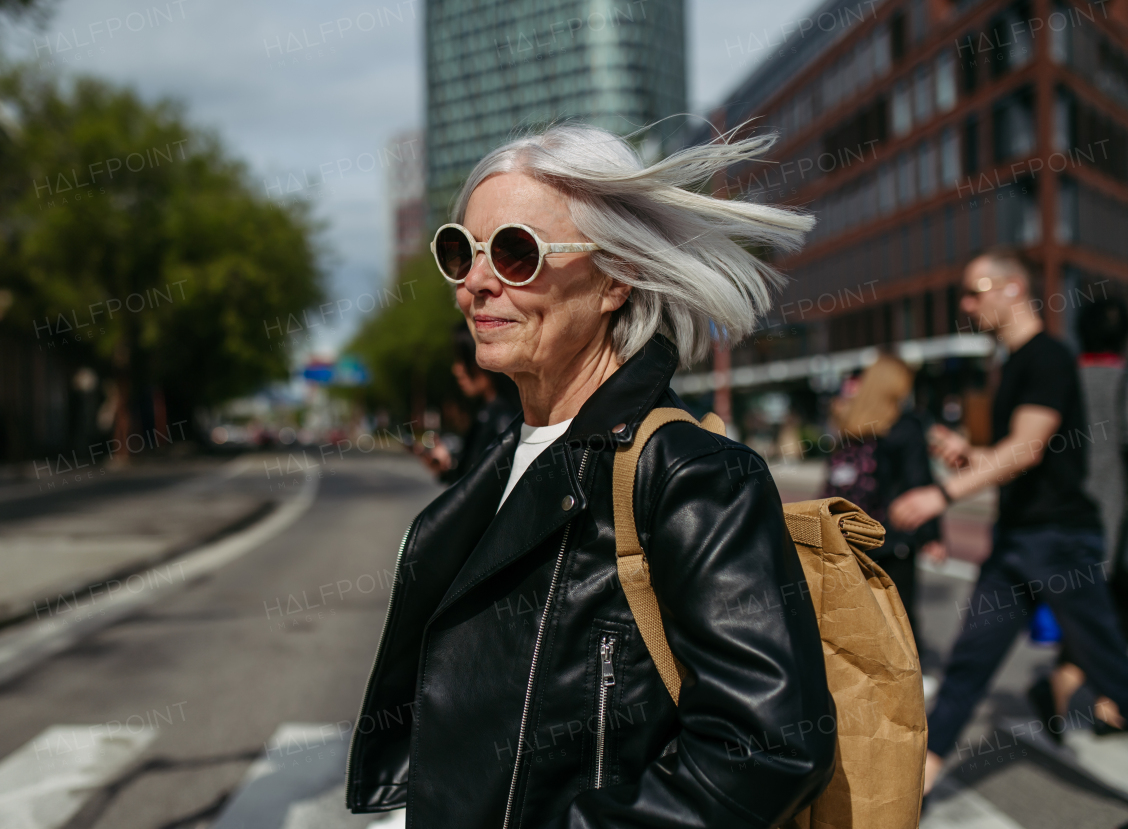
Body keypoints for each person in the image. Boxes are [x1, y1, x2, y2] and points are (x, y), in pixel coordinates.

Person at [346, 125, 835, 827]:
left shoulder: (695, 478)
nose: (477, 282)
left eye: (517, 252)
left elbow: (769, 744)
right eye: (462, 251)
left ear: (613, 279)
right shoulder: (503, 459)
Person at [889, 249, 1128, 795]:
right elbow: (1012, 458)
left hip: (1060, 539)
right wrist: (969, 454)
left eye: (977, 290)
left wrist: (940, 495)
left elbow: (1026, 450)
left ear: (1014, 290)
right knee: (970, 665)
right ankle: (913, 789)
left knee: (1110, 668)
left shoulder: (1047, 356)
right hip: (1018, 538)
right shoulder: (1010, 365)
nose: (967, 304)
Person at [1034, 297, 1128, 736]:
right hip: (1116, 521)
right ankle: (1104, 705)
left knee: (1091, 613)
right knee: (1108, 617)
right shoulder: (1122, 381)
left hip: (1067, 517)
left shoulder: (1065, 378)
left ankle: (1072, 692)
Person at [821, 354, 942, 650]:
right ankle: (908, 684)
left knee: (861, 613)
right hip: (893, 534)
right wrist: (933, 536)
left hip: (852, 534)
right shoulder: (904, 426)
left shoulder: (850, 423)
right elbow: (918, 481)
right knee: (899, 614)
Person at [414, 323, 522, 484]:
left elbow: (485, 496)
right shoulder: (487, 414)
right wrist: (448, 467)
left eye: (464, 360)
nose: (456, 369)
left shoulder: (502, 422)